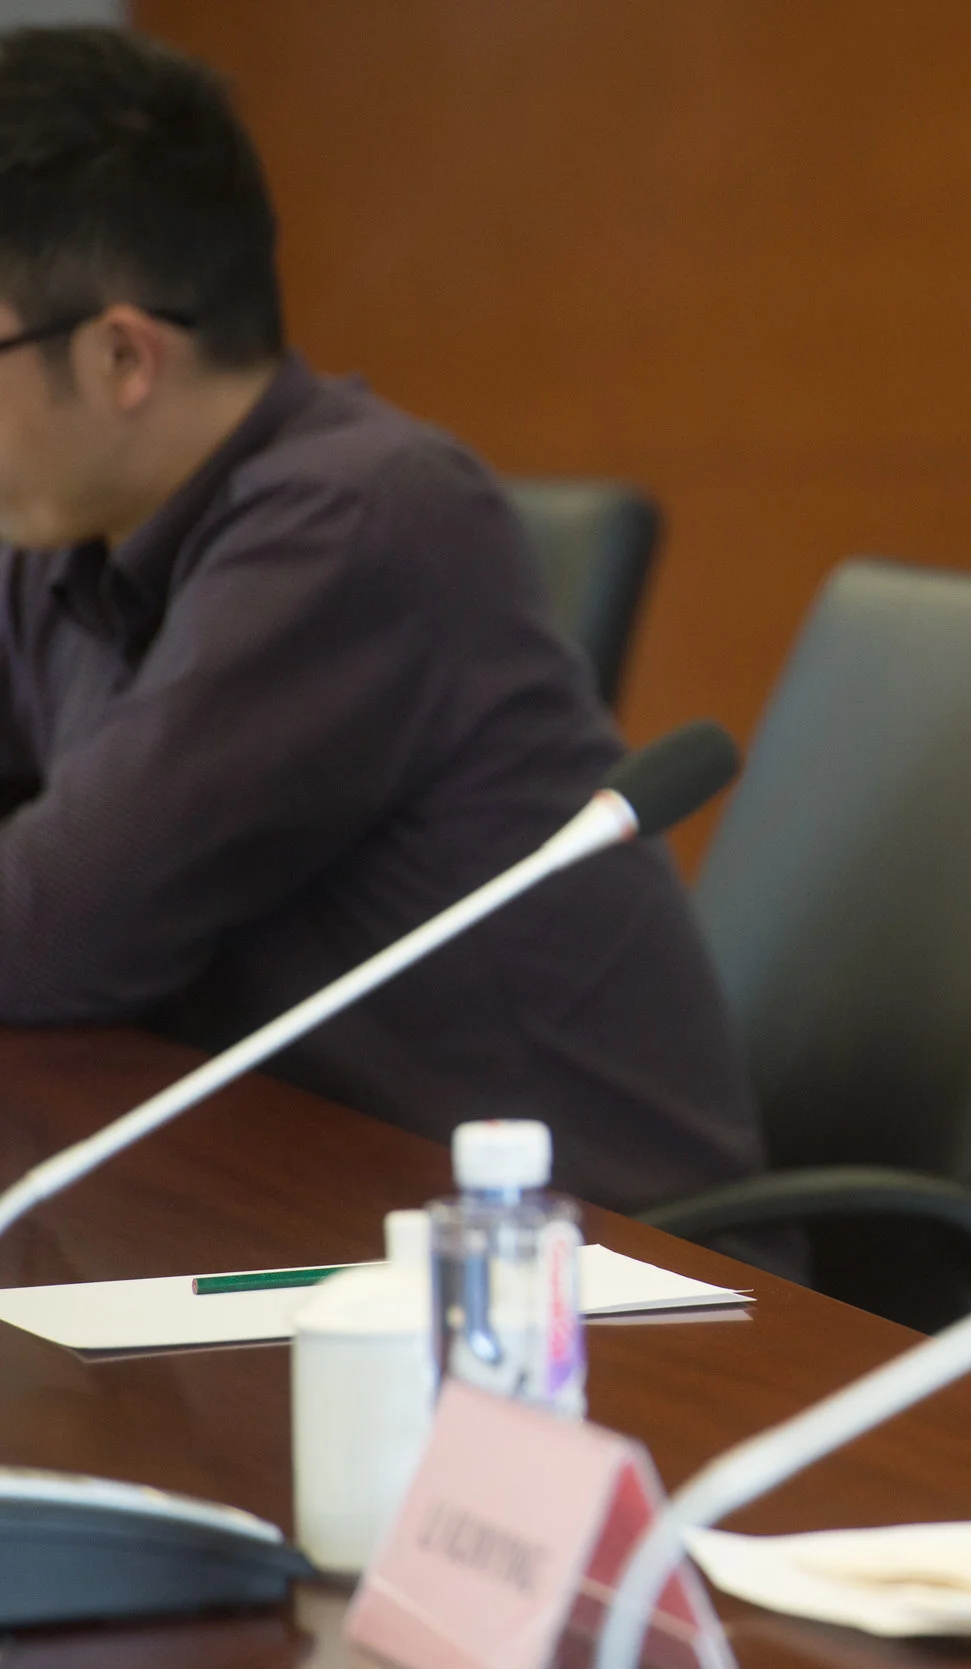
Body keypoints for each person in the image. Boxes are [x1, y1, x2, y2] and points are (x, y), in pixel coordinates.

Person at [0, 27, 766, 1214]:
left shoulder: (355, 525)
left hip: (587, 1277)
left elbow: (47, 931)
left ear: (120, 357)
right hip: (297, 1207)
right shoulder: (67, 538)